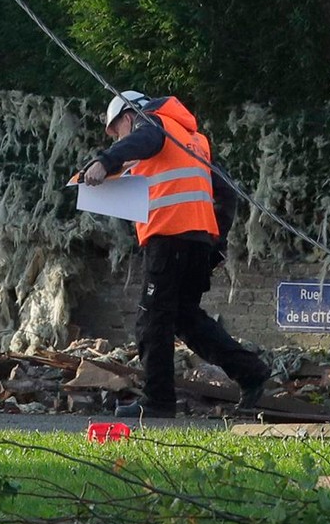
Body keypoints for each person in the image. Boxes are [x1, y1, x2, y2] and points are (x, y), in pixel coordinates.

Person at [77, 90, 270, 417]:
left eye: (118, 132)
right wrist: (215, 242)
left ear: (129, 117)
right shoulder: (193, 138)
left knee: (152, 321)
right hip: (194, 242)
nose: (120, 140)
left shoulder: (152, 124)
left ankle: (158, 402)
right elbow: (225, 193)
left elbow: (144, 139)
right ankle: (251, 372)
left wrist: (105, 160)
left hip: (169, 240)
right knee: (185, 318)